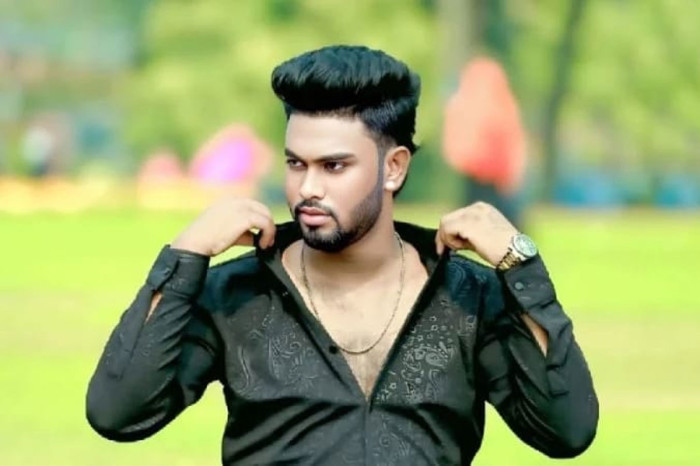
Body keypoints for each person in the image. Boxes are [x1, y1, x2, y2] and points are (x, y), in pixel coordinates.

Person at [86, 45, 598, 465]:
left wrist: (519, 263)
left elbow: (566, 431)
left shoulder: (468, 295)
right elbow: (117, 413)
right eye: (295, 163)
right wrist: (186, 253)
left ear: (394, 168)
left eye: (333, 166)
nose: (308, 188)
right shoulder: (236, 293)